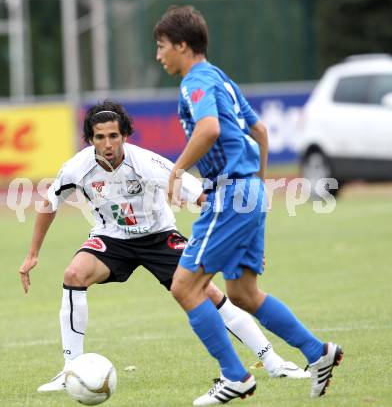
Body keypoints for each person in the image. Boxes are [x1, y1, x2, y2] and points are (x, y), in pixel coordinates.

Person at [19, 100, 308, 393]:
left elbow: (204, 199)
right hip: (112, 238)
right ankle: (71, 369)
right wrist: (32, 254)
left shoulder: (148, 163)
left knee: (207, 292)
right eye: (100, 137)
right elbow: (49, 202)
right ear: (90, 139)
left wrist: (242, 243)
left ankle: (273, 360)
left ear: (125, 135)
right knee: (73, 275)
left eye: (114, 136)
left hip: (160, 237)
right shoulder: (77, 167)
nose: (107, 144)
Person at [154, 5, 343, 405]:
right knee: (242, 293)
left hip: (230, 195)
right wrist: (256, 182)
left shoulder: (195, 82)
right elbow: (258, 129)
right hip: (248, 193)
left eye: (162, 46)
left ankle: (235, 376)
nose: (159, 56)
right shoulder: (221, 77)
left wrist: (177, 170)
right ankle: (317, 353)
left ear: (182, 46)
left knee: (185, 286)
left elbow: (209, 128)